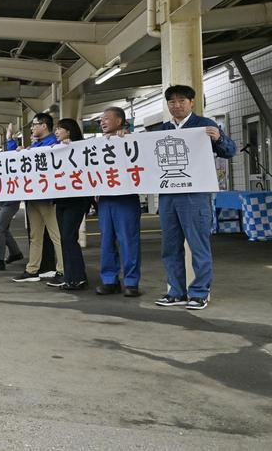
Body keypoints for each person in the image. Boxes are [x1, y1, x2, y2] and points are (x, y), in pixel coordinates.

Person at [154, 85, 236, 311]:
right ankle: (176, 292)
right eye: (172, 101)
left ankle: (199, 293)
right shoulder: (162, 129)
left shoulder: (204, 125)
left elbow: (230, 151)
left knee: (198, 246)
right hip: (168, 195)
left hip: (195, 195)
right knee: (170, 246)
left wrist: (219, 138)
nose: (177, 105)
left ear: (192, 102)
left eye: (182, 100)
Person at [12, 113, 64, 283]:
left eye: (34, 124)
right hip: (33, 196)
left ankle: (63, 270)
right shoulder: (36, 145)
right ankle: (32, 269)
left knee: (56, 235)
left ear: (44, 126)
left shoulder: (54, 144)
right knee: (35, 236)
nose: (32, 128)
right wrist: (14, 145)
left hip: (48, 198)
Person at [96, 107, 141, 297]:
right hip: (105, 199)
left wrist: (127, 137)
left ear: (120, 121)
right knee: (106, 241)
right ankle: (109, 280)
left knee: (128, 241)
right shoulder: (99, 144)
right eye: (101, 120)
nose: (102, 122)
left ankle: (131, 282)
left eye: (106, 118)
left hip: (126, 198)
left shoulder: (130, 139)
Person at [47, 118, 91, 290]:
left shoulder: (81, 147)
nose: (56, 132)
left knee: (69, 237)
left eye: (59, 129)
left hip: (77, 201)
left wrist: (72, 146)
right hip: (61, 200)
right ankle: (70, 276)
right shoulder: (57, 149)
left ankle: (78, 277)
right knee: (65, 239)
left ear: (69, 131)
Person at [0, 134, 24, 268]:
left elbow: (13, 155)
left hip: (10, 202)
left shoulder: (2, 159)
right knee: (3, 229)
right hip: (0, 203)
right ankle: (15, 253)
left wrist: (10, 140)